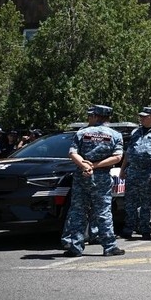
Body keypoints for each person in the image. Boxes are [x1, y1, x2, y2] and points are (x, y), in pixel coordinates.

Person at [62, 104, 125, 257]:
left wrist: (85, 165)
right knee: (103, 211)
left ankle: (75, 247)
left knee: (78, 211)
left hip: (82, 176)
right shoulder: (115, 135)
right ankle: (109, 247)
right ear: (108, 117)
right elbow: (117, 157)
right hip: (102, 177)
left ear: (96, 116)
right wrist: (95, 166)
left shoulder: (82, 133)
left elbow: (72, 153)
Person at [120, 106, 151, 240]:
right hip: (133, 171)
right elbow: (128, 152)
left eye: (144, 117)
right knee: (130, 202)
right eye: (141, 116)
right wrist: (123, 169)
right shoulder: (136, 131)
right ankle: (129, 228)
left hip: (148, 171)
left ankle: (145, 229)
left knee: (146, 203)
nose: (141, 119)